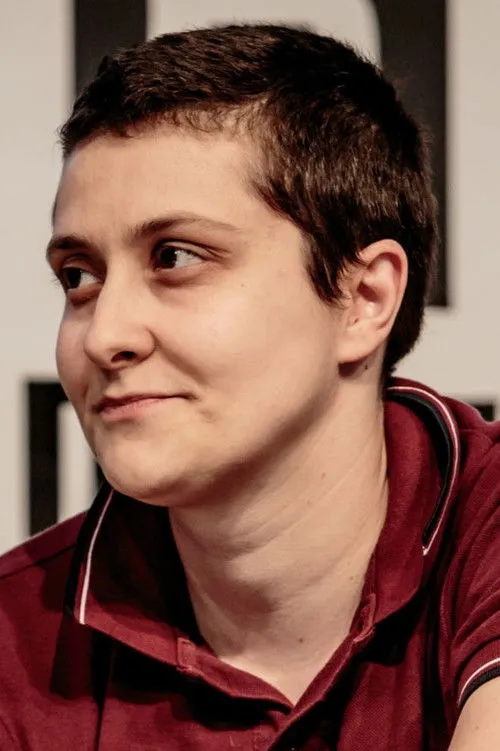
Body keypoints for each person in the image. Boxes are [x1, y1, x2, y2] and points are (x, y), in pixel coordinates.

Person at [0, 22, 498, 750]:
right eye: (79, 276)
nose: (104, 335)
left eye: (175, 258)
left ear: (363, 298)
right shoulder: (13, 636)